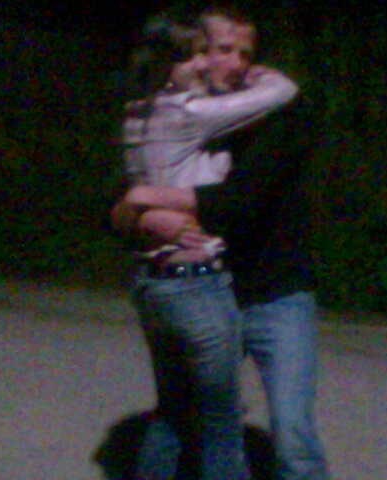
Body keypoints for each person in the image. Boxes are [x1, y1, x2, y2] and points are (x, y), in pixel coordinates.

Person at [113, 9, 331, 480]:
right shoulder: (183, 113)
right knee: (191, 419)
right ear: (196, 54)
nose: (236, 63)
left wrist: (148, 199)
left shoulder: (282, 118)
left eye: (246, 54)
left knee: (292, 435)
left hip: (276, 294)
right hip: (208, 289)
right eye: (223, 50)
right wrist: (141, 213)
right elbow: (113, 205)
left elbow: (242, 202)